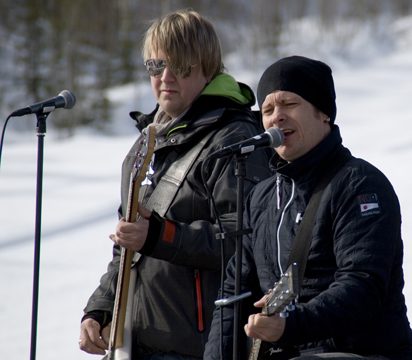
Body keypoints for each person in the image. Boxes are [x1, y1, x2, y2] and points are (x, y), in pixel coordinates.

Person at [79, 10, 272, 360]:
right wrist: (102, 307)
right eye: (156, 66)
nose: (165, 78)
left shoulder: (234, 138)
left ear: (209, 68)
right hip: (135, 342)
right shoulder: (148, 140)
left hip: (200, 347)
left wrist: (160, 236)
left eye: (181, 67)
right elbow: (128, 243)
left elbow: (248, 244)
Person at [204, 56, 412, 360]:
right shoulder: (261, 196)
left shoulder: (359, 184)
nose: (276, 117)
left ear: (323, 114)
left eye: (289, 104)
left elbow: (362, 285)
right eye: (267, 110)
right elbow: (234, 289)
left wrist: (290, 325)